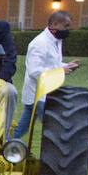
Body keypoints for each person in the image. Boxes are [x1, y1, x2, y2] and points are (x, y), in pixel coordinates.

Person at [12, 11, 79, 139]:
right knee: (53, 129)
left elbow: (52, 64)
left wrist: (66, 66)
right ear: (55, 24)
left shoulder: (55, 41)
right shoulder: (39, 43)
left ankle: (8, 145)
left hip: (43, 94)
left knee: (23, 128)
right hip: (38, 95)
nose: (68, 30)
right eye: (66, 26)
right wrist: (60, 71)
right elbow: (34, 71)